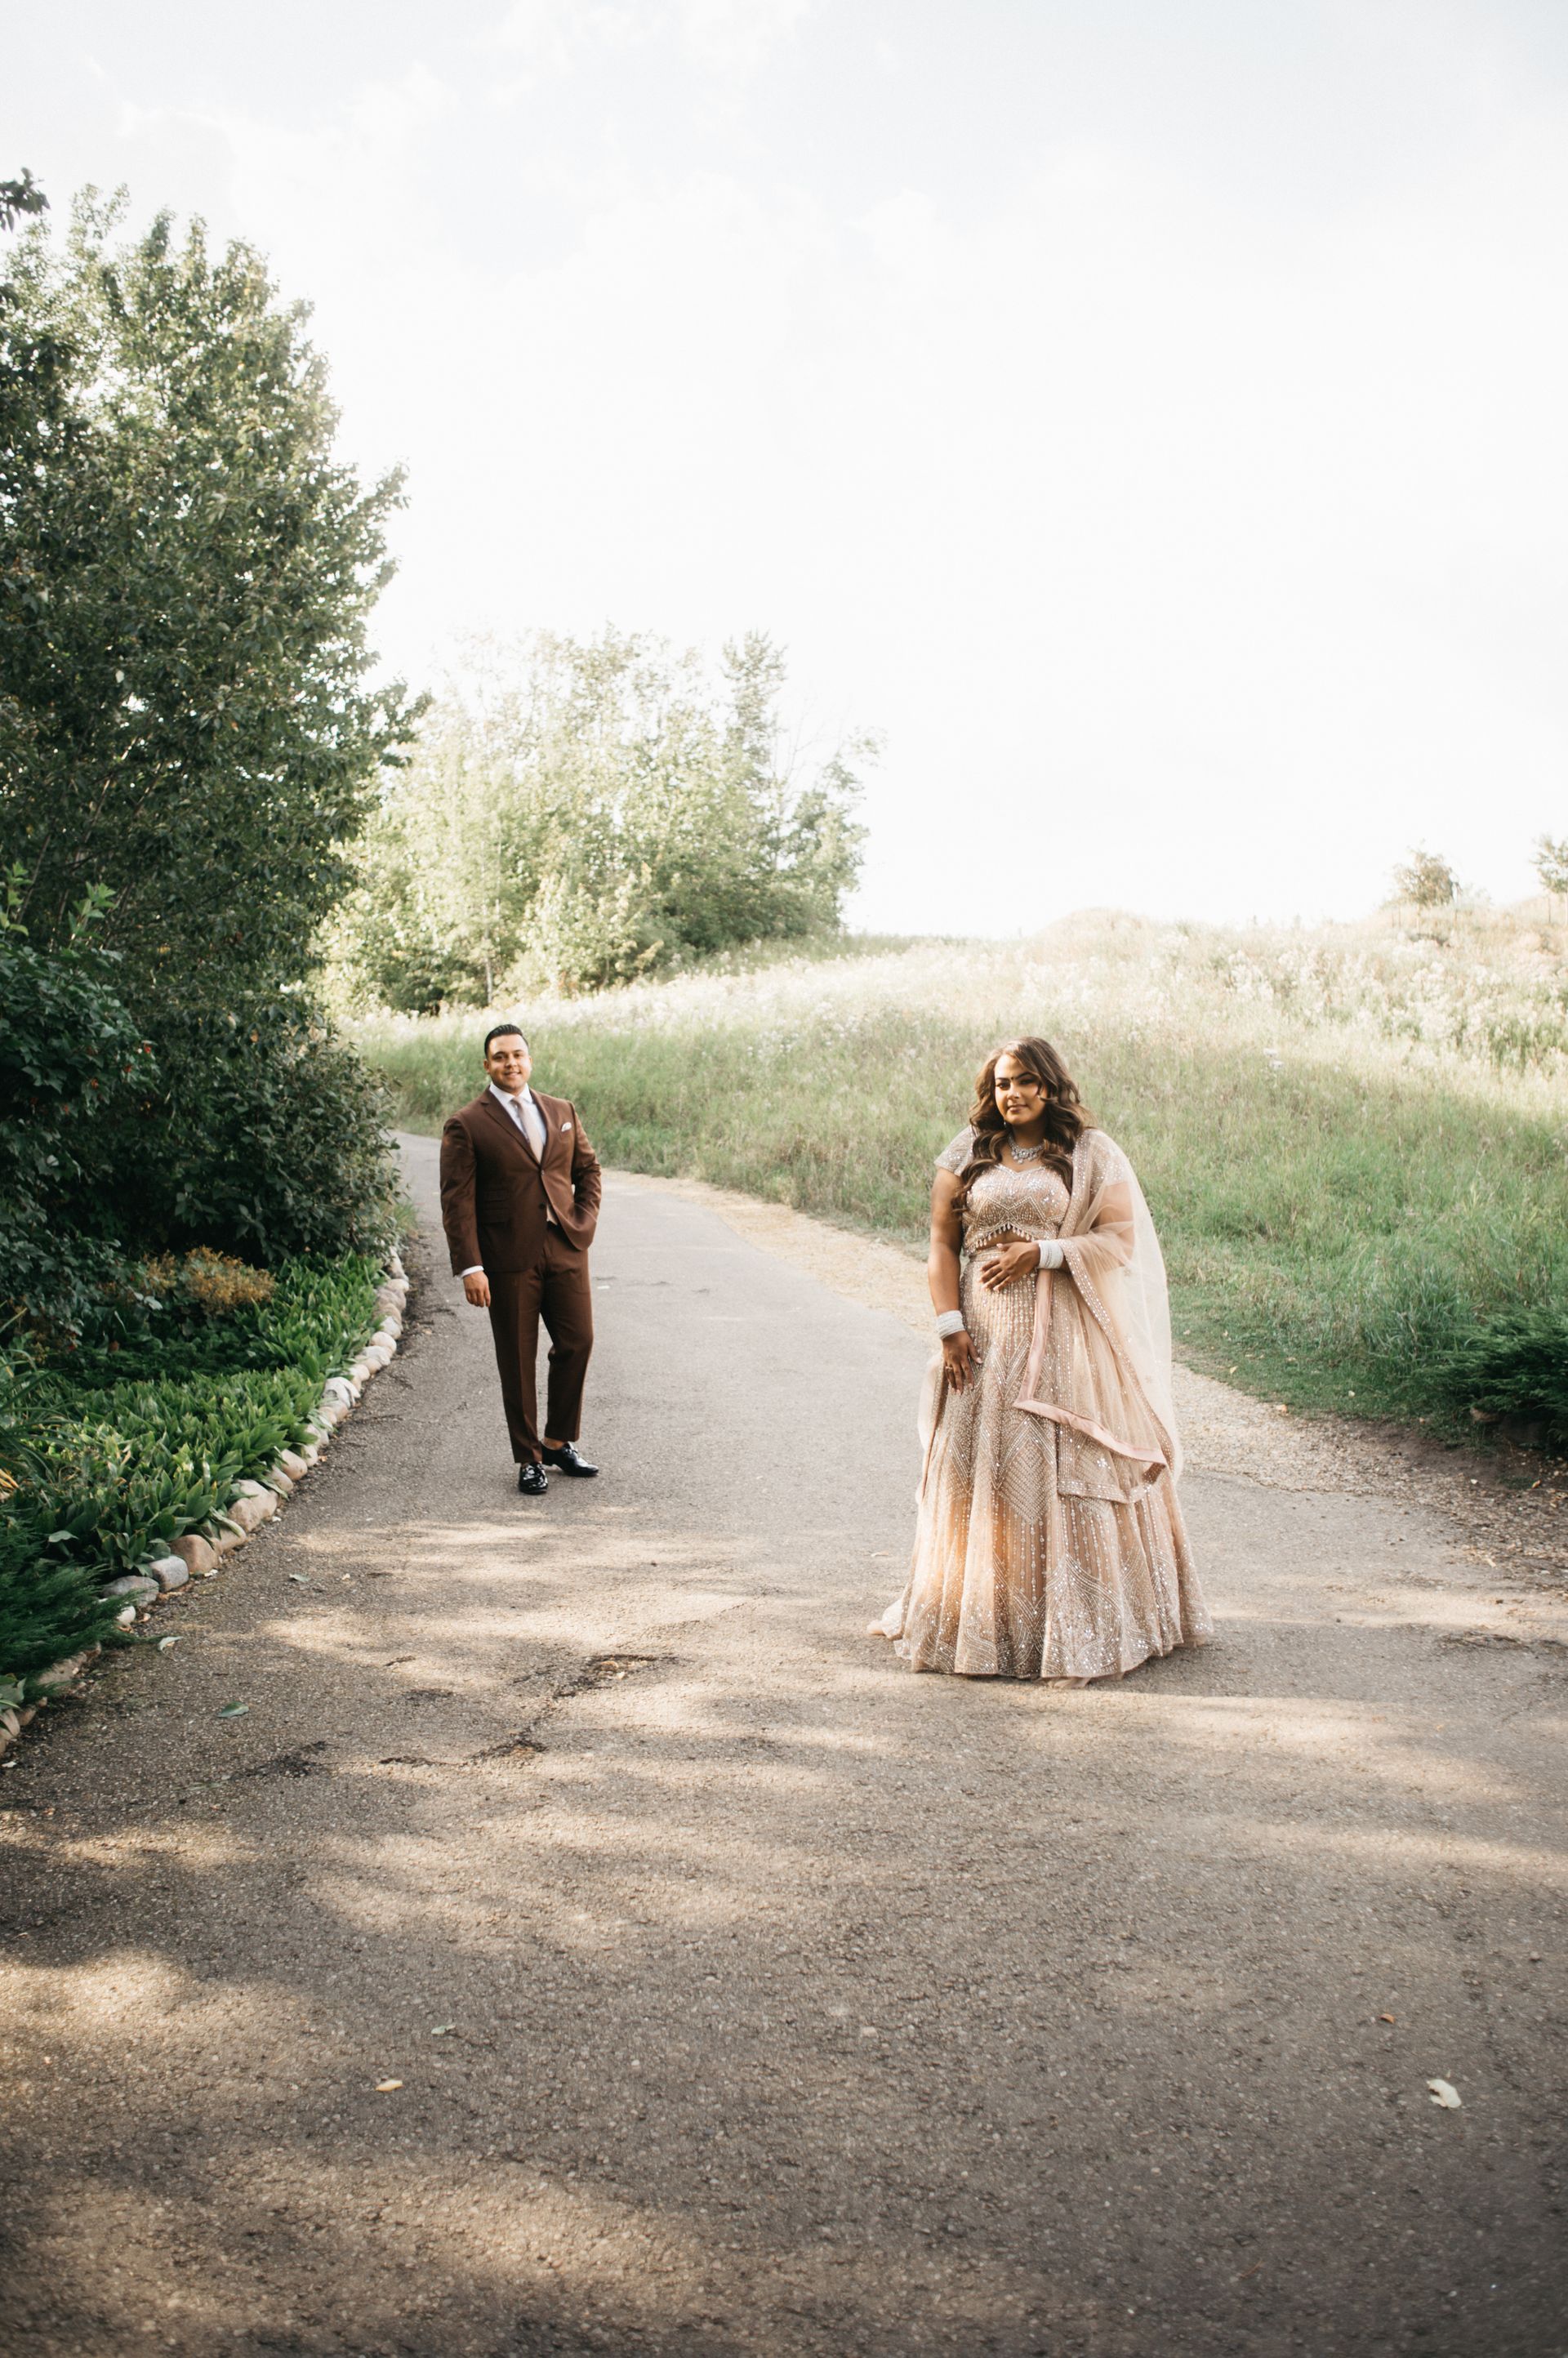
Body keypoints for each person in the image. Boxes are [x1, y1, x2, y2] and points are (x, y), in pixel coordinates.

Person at [874, 1036, 1209, 1683]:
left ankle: (1073, 1622)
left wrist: (1043, 1254)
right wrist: (949, 1328)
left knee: (1061, 1466)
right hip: (983, 1331)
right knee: (981, 1466)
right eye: (1003, 1083)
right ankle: (984, 1622)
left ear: (1050, 1086)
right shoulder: (967, 1152)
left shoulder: (1089, 1152)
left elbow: (1118, 1239)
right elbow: (943, 1245)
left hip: (1062, 1335)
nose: (1013, 1093)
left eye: (1026, 1081)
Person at [439, 1023, 603, 1495]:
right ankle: (528, 1457)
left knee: (579, 1342)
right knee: (517, 1357)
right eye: (500, 1057)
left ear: (529, 1060)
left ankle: (556, 1441)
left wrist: (584, 1218)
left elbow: (588, 1168)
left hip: (565, 1245)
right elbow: (457, 1201)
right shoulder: (467, 1122)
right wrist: (471, 1266)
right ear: (487, 1065)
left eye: (518, 1055)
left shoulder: (561, 1110)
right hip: (506, 1257)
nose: (511, 1063)